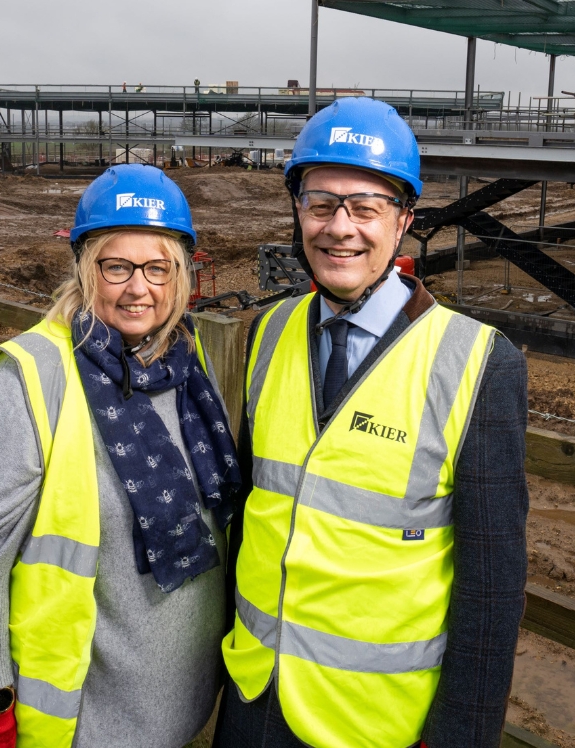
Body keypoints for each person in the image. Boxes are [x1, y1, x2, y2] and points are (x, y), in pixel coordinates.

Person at [215, 97, 529, 748]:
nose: (340, 228)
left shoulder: (477, 364)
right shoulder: (268, 334)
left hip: (369, 725)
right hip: (252, 701)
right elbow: (256, 512)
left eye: (365, 206)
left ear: (405, 219)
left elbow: (491, 591)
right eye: (321, 202)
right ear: (297, 210)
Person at [0, 164, 243, 748]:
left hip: (180, 713)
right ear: (85, 269)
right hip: (84, 721)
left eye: (158, 267)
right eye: (117, 266)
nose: (139, 288)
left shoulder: (183, 364)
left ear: (181, 275)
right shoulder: (33, 378)